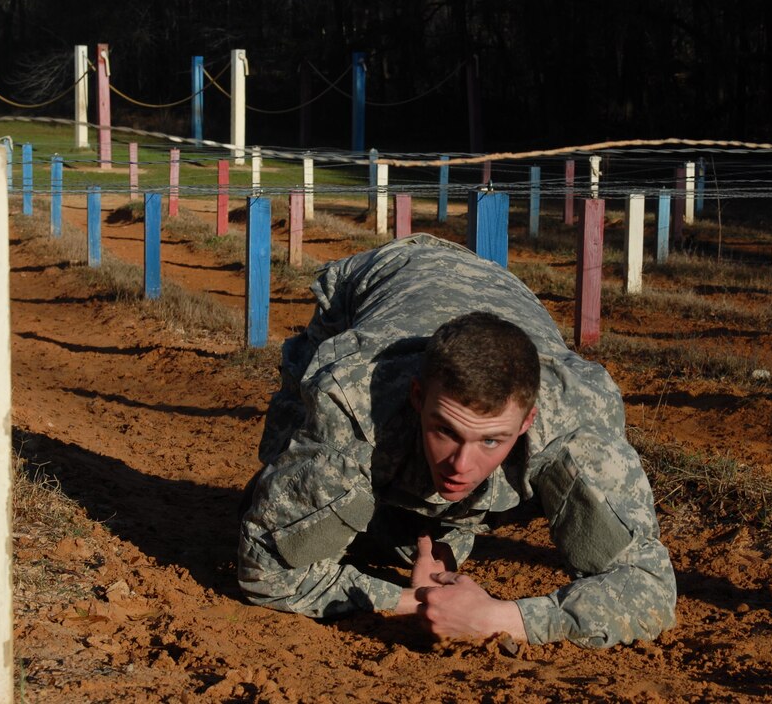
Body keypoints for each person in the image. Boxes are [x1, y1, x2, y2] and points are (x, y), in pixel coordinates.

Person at [238, 234, 676, 648]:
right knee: (283, 492)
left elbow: (649, 586)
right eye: (447, 431)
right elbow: (267, 569)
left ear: (528, 421)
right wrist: (413, 602)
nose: (461, 463)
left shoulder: (578, 425)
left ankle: (435, 528)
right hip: (378, 278)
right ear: (417, 398)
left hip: (499, 288)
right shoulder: (353, 401)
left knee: (421, 504)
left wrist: (503, 619)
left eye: (491, 440)